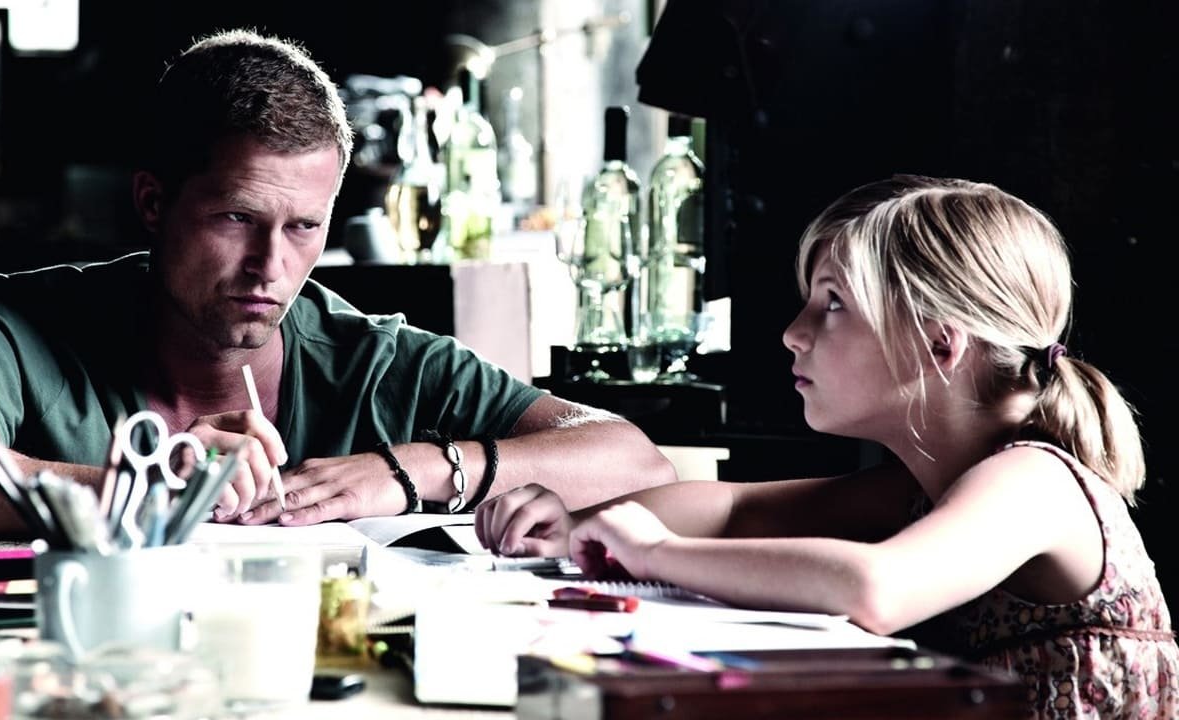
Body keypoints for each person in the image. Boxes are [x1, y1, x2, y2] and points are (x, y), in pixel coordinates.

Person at [0, 29, 675, 537]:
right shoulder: (18, 325)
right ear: (153, 203)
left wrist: (408, 472)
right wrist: (142, 488)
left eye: (303, 226)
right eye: (236, 218)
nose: (270, 265)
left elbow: (633, 459)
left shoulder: (375, 363)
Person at [476, 175, 1178, 718]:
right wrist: (577, 526)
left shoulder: (1035, 484)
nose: (794, 333)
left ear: (941, 344)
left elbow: (876, 588)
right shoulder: (925, 488)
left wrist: (655, 553)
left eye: (833, 303)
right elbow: (735, 511)